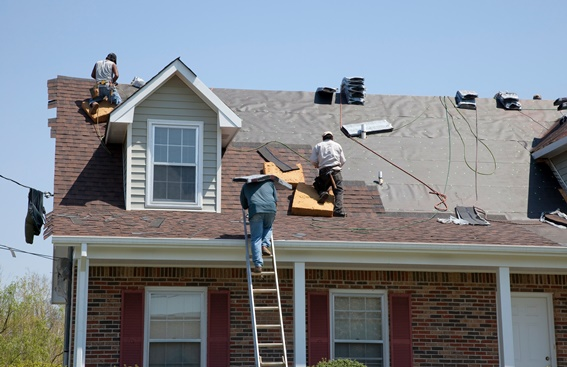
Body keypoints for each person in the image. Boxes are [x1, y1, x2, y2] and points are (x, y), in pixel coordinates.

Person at [240, 179, 278, 274]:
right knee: (268, 227)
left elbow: (244, 205)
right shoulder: (269, 183)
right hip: (271, 209)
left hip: (256, 209)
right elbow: (276, 200)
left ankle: (258, 265)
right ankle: (264, 245)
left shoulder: (246, 185)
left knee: (256, 238)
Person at [310, 131, 347, 217]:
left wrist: (317, 165)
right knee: (338, 191)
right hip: (336, 170)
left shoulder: (318, 146)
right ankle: (338, 210)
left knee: (318, 185)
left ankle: (323, 193)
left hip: (324, 171)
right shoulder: (337, 145)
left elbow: (312, 160)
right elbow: (343, 160)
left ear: (323, 138)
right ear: (332, 138)